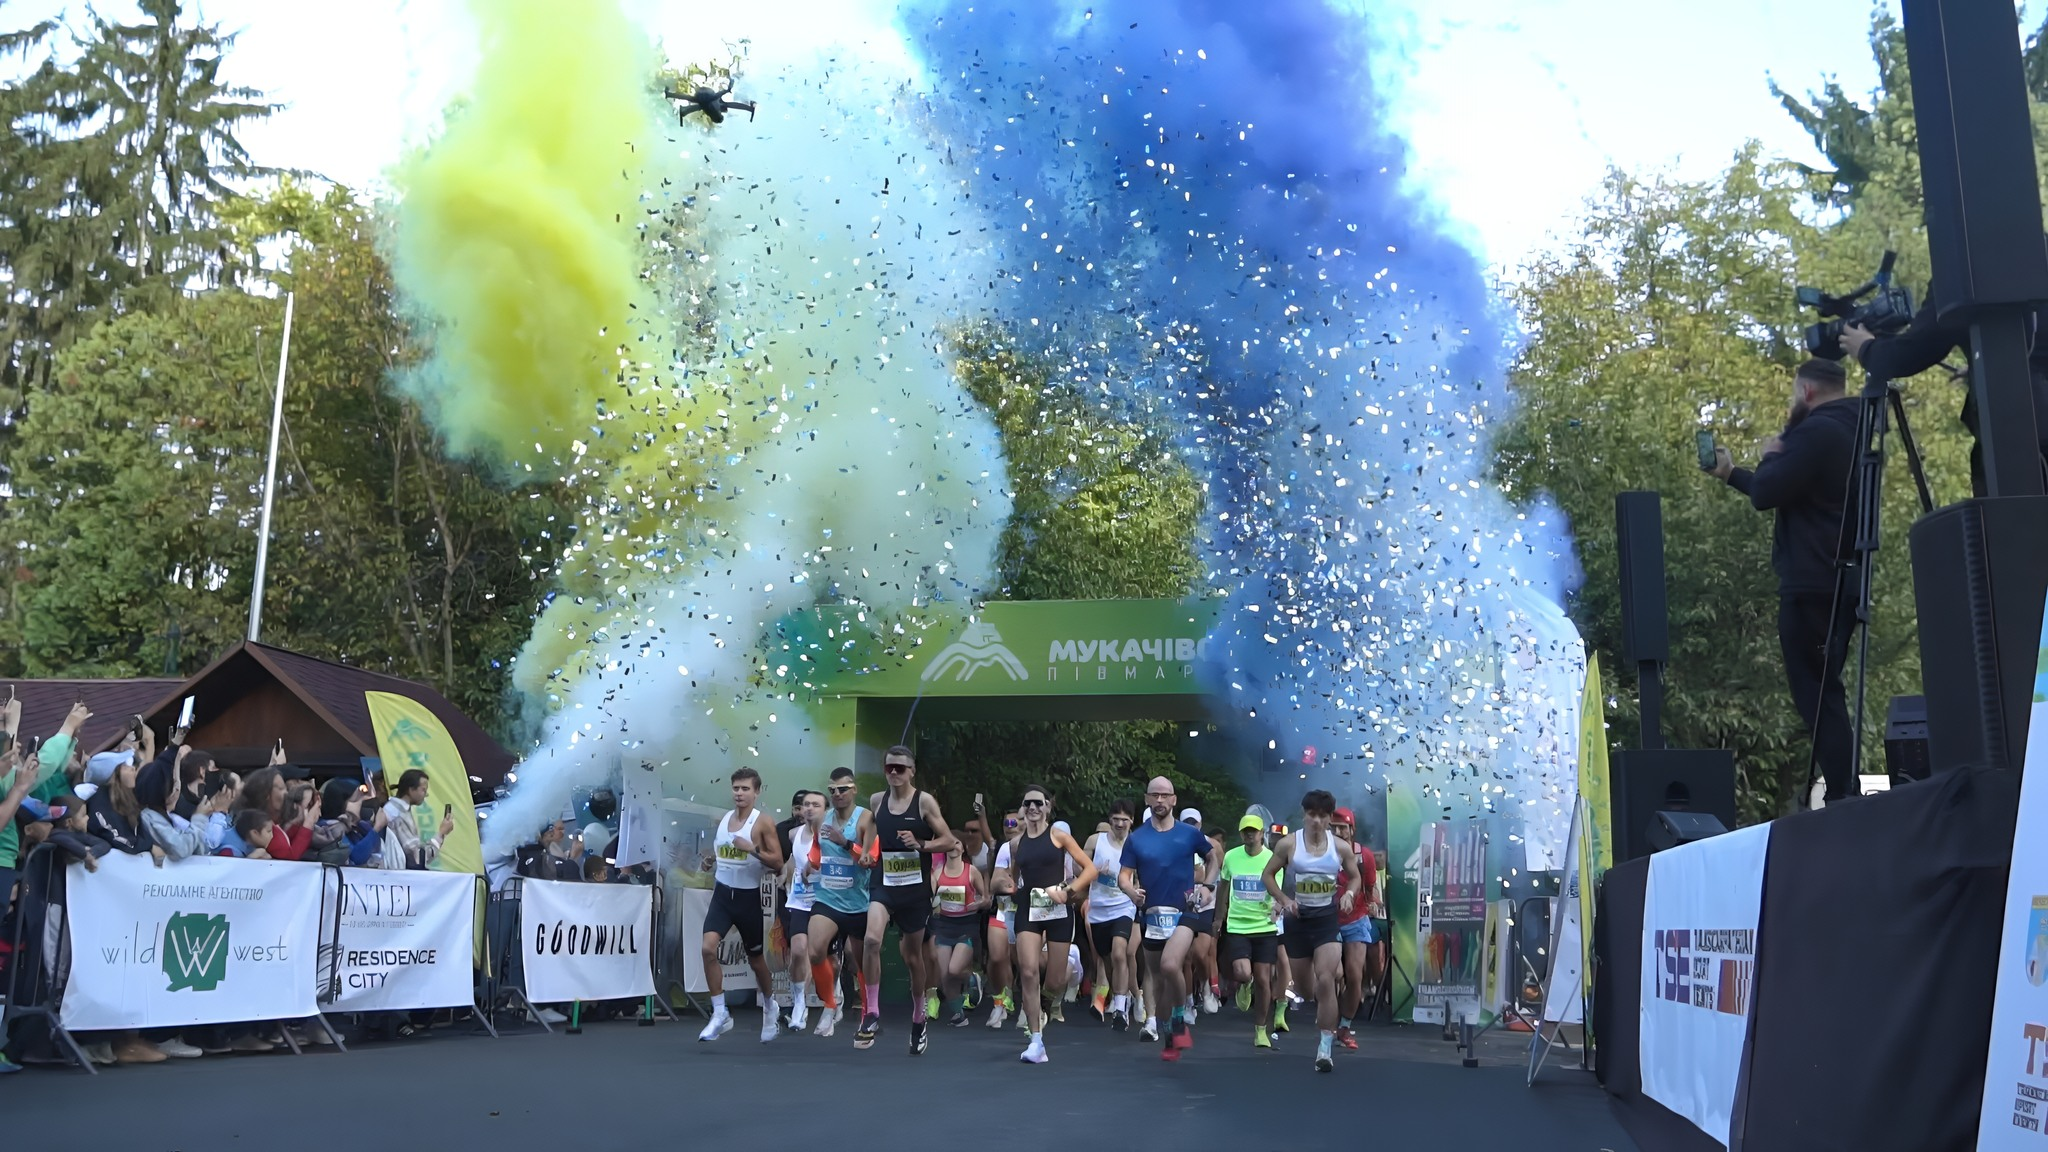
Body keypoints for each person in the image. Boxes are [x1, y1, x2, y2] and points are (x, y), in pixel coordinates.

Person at [1708, 358, 1861, 804]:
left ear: (1807, 392)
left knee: (1817, 693)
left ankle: (1843, 794)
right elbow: (1784, 490)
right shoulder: (1855, 430)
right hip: (1841, 578)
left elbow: (1768, 492)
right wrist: (1732, 474)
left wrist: (1773, 453)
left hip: (1812, 580)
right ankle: (1842, 790)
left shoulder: (1817, 432)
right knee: (1824, 690)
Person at [861, 745, 955, 1056]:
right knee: (871, 939)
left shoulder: (924, 802)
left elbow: (949, 840)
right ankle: (872, 1011)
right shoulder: (877, 800)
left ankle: (918, 1016)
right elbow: (872, 826)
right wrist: (867, 851)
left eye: (900, 768)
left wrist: (920, 843)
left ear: (912, 771)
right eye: (889, 767)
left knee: (913, 958)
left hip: (915, 890)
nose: (894, 773)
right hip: (885, 882)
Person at [992, 785, 1096, 1064]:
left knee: (1055, 980)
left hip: (1058, 910)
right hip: (1028, 910)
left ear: (1048, 807)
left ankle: (1046, 1004)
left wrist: (1067, 889)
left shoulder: (1058, 836)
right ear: (1023, 808)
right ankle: (1036, 1042)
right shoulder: (1017, 844)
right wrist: (1008, 886)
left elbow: (1090, 869)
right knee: (1027, 971)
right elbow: (1015, 875)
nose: (1033, 808)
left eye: (1039, 803)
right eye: (1028, 803)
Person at [1119, 776, 1219, 1060]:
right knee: (1159, 980)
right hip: (1151, 914)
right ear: (1147, 799)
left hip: (1184, 911)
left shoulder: (1189, 834)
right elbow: (1123, 876)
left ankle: (1179, 1017)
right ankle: (1169, 1034)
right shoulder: (1136, 838)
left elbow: (1213, 858)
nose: (1160, 800)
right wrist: (1131, 892)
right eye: (1155, 795)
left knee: (1171, 964)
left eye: (1165, 795)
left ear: (1174, 799)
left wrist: (1208, 887)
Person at [1263, 790, 1362, 1073]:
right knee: (1307, 990)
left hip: (1326, 920)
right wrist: (1284, 900)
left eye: (1322, 816)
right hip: (1298, 920)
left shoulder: (1340, 848)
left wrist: (1349, 894)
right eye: (1311, 815)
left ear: (1329, 818)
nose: (1316, 821)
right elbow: (1267, 875)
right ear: (1304, 815)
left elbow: (1354, 877)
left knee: (1326, 978)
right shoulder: (1289, 844)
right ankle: (1324, 1009)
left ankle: (1325, 1048)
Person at [697, 766, 784, 1043]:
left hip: (748, 899)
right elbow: (725, 852)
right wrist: (710, 860)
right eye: (736, 788)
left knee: (756, 961)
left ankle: (769, 1006)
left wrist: (752, 849)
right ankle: (720, 1012)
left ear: (756, 792)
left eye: (745, 789)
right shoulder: (724, 819)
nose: (739, 793)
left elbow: (778, 862)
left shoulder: (762, 822)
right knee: (707, 949)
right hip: (723, 896)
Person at [806, 767, 874, 1040]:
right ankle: (829, 1005)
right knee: (815, 952)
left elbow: (870, 859)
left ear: (854, 790)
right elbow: (817, 847)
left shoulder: (865, 819)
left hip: (857, 902)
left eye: (843, 789)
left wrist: (845, 843)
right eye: (832, 790)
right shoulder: (821, 819)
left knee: (861, 964)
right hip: (828, 898)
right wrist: (810, 864)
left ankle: (869, 1013)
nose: (837, 794)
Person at [1220, 812, 1283, 1048]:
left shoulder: (1272, 859)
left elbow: (1278, 890)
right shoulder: (1230, 857)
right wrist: (1218, 917)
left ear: (1261, 834)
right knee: (1243, 972)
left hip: (1264, 925)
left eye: (1253, 831)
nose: (1249, 835)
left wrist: (1278, 907)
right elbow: (1223, 887)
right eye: (1245, 831)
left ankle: (1260, 1030)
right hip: (1238, 924)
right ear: (1240, 834)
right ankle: (1245, 983)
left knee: (1264, 981)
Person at [1084, 799, 1139, 1030]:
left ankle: (1120, 1008)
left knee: (1119, 952)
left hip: (1124, 906)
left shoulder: (1136, 843)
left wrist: (1138, 892)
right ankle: (1120, 997)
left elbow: (1143, 872)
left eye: (1124, 820)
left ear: (1131, 821)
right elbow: (1078, 867)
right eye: (1115, 819)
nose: (1119, 824)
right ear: (1109, 820)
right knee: (1107, 960)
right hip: (1099, 909)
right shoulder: (1095, 841)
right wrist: (1094, 871)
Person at [929, 828, 987, 1027]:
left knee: (954, 970)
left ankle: (972, 977)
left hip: (966, 926)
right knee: (945, 976)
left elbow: (986, 899)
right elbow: (929, 899)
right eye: (950, 843)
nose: (953, 846)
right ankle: (959, 1015)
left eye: (957, 843)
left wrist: (978, 904)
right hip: (944, 926)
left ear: (963, 848)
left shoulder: (971, 872)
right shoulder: (937, 873)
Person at [1331, 808, 1378, 1049]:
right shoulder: (1323, 853)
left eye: (1343, 827)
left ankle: (1345, 1026)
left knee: (1355, 976)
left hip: (1356, 919)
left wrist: (1372, 902)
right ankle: (1329, 1022)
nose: (1339, 832)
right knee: (1333, 974)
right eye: (1335, 827)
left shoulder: (1364, 855)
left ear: (1352, 829)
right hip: (1328, 920)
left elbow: (1370, 886)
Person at [780, 790, 825, 1032]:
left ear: (825, 810)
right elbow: (789, 862)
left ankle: (806, 1003)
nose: (809, 808)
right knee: (797, 951)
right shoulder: (793, 834)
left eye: (815, 805)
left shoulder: (830, 836)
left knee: (814, 953)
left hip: (824, 901)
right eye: (806, 804)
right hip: (799, 900)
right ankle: (799, 999)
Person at [381, 768, 455, 870]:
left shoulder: (396, 809)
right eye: (423, 790)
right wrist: (441, 834)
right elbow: (417, 858)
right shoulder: (397, 814)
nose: (426, 794)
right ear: (411, 790)